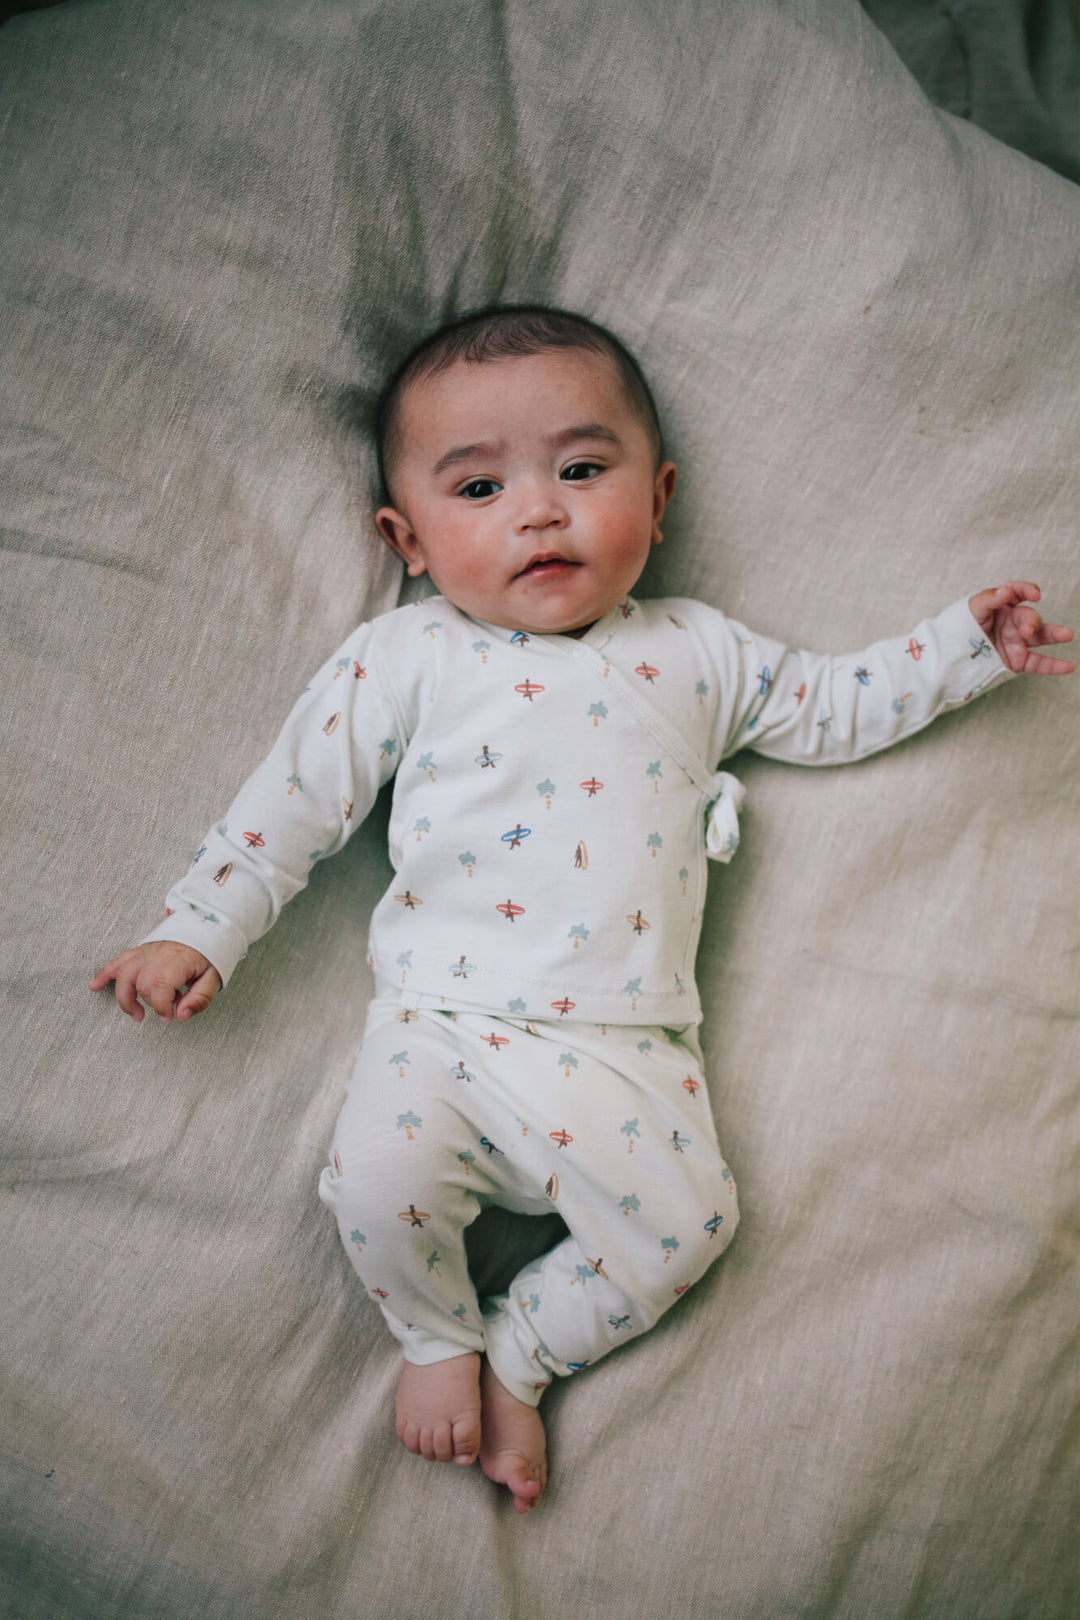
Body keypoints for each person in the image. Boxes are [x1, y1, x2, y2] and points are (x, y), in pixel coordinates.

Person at [89, 306, 1074, 1514]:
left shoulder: (701, 652)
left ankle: (521, 1349)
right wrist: (200, 925)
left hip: (627, 1048)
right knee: (373, 1182)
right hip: (445, 1026)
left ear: (658, 501)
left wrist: (961, 649)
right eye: (480, 487)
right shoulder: (406, 656)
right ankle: (436, 1333)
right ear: (407, 538)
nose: (539, 513)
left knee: (690, 1229)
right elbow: (293, 803)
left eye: (582, 471)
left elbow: (832, 706)